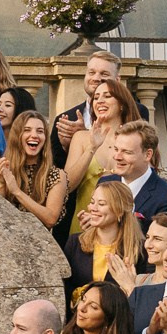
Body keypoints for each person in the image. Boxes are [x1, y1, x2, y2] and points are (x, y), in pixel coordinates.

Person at [59, 76, 145, 235]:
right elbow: (67, 185)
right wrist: (91, 148)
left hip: (125, 227)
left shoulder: (137, 138)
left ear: (121, 103)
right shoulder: (81, 138)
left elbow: (145, 179)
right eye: (96, 97)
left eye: (107, 96)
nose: (99, 101)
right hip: (85, 225)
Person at [65, 176, 146, 296]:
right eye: (92, 202)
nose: (93, 208)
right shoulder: (75, 242)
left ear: (119, 210)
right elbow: (65, 286)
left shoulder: (140, 248)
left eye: (101, 204)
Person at [0, 110, 68, 233]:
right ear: (17, 136)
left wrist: (17, 192)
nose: (34, 135)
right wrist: (2, 185)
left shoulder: (56, 175)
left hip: (40, 245)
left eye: (40, 131)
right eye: (27, 130)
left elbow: (50, 219)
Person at [104, 121, 167, 230]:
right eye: (116, 149)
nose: (117, 157)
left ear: (148, 155)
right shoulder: (104, 184)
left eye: (127, 152)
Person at [52, 49, 124, 159]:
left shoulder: (137, 111)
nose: (96, 78)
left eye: (104, 74)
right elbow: (57, 168)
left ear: (117, 80)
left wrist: (84, 135)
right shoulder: (64, 120)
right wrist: (68, 146)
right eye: (91, 73)